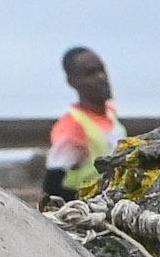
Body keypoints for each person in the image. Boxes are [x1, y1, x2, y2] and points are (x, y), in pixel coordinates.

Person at [46, 45, 123, 197]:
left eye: (102, 70)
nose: (101, 77)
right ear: (72, 81)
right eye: (91, 73)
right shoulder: (72, 126)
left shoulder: (111, 115)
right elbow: (52, 185)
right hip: (87, 211)